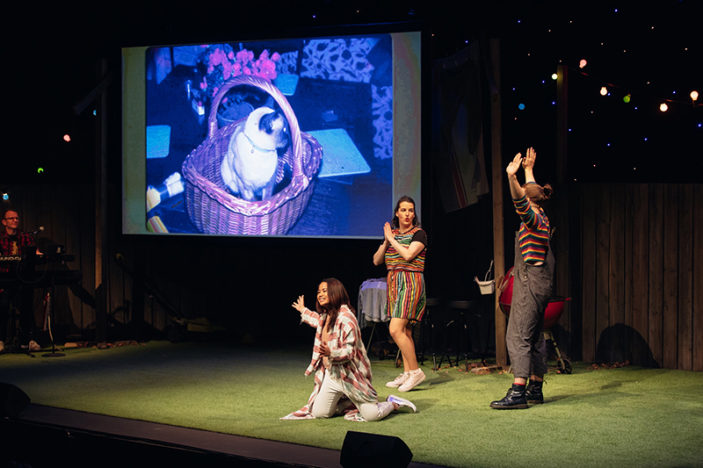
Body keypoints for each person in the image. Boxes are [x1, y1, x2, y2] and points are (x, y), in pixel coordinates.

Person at [282, 278, 417, 421]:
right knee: (319, 413)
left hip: (351, 376)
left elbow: (349, 352)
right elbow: (317, 321)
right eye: (318, 292)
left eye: (324, 291)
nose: (319, 294)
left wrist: (331, 353)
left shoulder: (347, 319)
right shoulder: (326, 316)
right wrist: (303, 310)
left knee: (371, 416)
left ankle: (393, 403)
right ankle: (348, 402)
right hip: (333, 375)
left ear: (335, 293)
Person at [491, 147, 555, 409]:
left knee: (517, 335)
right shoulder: (542, 215)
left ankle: (518, 391)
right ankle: (535, 387)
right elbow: (530, 193)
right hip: (542, 282)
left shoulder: (531, 219)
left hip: (530, 281)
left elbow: (520, 200)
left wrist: (511, 177)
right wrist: (528, 170)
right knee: (535, 334)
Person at [372, 196, 427, 392]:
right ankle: (407, 372)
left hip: (411, 282)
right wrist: (386, 241)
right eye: (403, 210)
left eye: (410, 210)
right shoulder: (391, 235)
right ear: (397, 213)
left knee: (395, 329)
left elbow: (408, 255)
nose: (407, 214)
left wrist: (392, 239)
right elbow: (377, 260)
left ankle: (415, 372)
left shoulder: (419, 234)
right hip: (394, 281)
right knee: (405, 331)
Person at [0, 209, 41, 353]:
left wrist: (39, 255)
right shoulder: (1, 239)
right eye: (11, 218)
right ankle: (1, 340)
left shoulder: (25, 237)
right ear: (4, 222)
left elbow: (35, 253)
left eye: (17, 218)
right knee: (2, 304)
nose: (15, 220)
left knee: (27, 305)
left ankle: (27, 340)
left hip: (22, 279)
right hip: (4, 280)